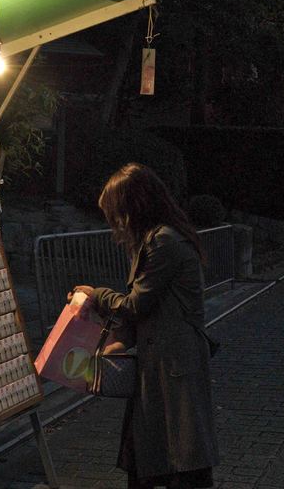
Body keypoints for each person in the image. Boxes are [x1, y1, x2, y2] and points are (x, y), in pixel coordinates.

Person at [72, 163, 219, 489]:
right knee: (158, 454)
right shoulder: (158, 238)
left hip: (173, 364)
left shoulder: (162, 241)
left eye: (115, 213)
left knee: (179, 456)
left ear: (133, 207)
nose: (114, 223)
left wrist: (96, 295)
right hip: (165, 362)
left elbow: (137, 304)